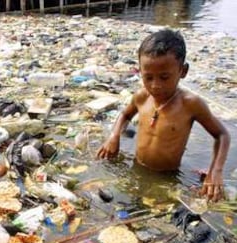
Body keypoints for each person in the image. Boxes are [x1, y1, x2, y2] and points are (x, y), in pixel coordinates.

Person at [96, 29, 230, 202]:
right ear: (139, 72)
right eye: (148, 77)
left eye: (164, 77)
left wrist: (215, 170)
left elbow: (222, 135)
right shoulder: (142, 96)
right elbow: (124, 115)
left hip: (169, 176)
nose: (156, 85)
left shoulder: (190, 104)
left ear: (183, 71)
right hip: (137, 166)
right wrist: (114, 137)